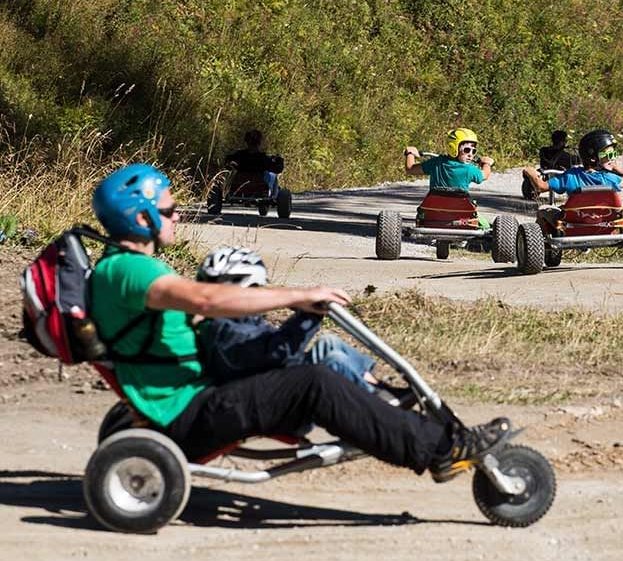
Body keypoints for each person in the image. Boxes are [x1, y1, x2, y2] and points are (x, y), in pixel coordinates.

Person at [88, 164, 509, 480]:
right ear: (141, 218)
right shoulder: (131, 270)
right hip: (189, 411)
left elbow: (191, 308)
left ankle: (426, 433)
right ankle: (442, 449)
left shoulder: (119, 268)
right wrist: (301, 296)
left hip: (191, 398)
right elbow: (207, 297)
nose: (178, 216)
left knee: (316, 367)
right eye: (169, 209)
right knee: (314, 383)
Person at [194, 245, 413, 407]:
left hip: (272, 377)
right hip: (270, 396)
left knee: (329, 342)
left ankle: (379, 388)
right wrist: (309, 315)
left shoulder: (230, 320)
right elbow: (281, 352)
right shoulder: (226, 332)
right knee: (333, 362)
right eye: (256, 289)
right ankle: (378, 402)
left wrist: (301, 305)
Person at [522, 128, 623, 198]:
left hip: (575, 223)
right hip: (603, 223)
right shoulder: (609, 179)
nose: (612, 159)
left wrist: (530, 172)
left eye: (613, 155)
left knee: (544, 213)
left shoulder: (570, 176)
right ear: (593, 158)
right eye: (609, 155)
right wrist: (616, 168)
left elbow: (541, 186)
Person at [404, 127, 493, 192]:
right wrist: (487, 164)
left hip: (434, 209)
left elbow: (410, 169)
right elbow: (485, 175)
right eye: (467, 150)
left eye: (473, 151)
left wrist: (410, 154)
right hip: (459, 211)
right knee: (473, 205)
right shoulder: (469, 169)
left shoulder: (435, 163)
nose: (470, 154)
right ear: (453, 148)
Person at [224, 129, 284, 198]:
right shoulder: (263, 159)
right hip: (259, 189)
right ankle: (274, 196)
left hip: (239, 188)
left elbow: (227, 163)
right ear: (259, 142)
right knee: (272, 176)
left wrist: (232, 165)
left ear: (246, 141)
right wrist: (279, 160)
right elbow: (278, 169)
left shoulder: (239, 156)